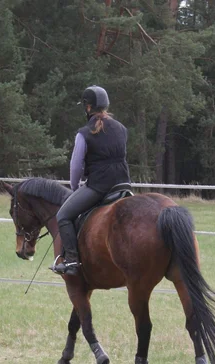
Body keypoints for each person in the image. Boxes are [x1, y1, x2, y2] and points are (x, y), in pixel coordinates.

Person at [51, 86, 131, 276]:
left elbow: (76, 166)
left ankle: (71, 261)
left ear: (88, 108)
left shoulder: (84, 133)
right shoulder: (121, 128)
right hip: (124, 184)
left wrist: (74, 187)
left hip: (99, 187)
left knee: (63, 215)